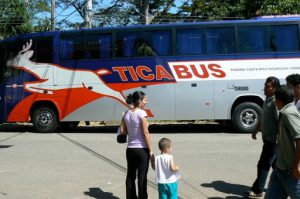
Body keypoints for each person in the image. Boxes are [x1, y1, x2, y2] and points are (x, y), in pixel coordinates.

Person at [264, 86, 300, 199]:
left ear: (278, 100)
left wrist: (296, 166)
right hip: (280, 169)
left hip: (290, 172)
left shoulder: (288, 113)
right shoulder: (285, 111)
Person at [248, 76, 280, 198]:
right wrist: (256, 130)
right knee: (277, 166)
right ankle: (286, 187)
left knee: (263, 165)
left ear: (275, 88)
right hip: (267, 139)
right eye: (265, 86)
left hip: (273, 141)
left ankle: (258, 190)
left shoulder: (276, 102)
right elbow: (263, 117)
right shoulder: (267, 99)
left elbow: (281, 121)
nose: (265, 89)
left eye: (268, 87)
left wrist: (280, 139)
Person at [120, 91, 153, 199]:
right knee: (142, 176)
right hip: (141, 149)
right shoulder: (142, 113)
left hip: (130, 149)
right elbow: (145, 133)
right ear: (139, 101)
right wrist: (151, 149)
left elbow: (123, 131)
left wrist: (123, 119)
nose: (146, 102)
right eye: (145, 100)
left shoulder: (125, 113)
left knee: (130, 175)